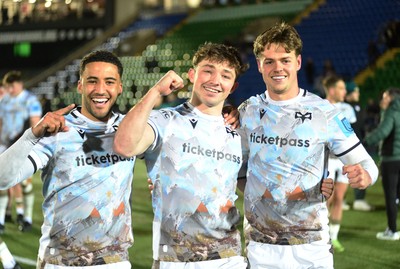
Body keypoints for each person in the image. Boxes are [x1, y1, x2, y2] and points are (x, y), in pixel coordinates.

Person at [237, 22, 378, 268]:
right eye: (269, 61)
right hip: (261, 246)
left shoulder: (325, 112)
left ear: (298, 62)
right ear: (259, 65)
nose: (277, 67)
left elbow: (367, 163)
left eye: (285, 60)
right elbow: (236, 169)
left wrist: (365, 176)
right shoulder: (247, 111)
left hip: (311, 247)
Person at [113, 42, 250, 269]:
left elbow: (246, 181)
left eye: (225, 75)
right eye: (208, 70)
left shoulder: (238, 132)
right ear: (192, 75)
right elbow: (124, 146)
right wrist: (155, 91)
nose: (215, 80)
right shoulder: (165, 120)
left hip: (229, 258)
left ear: (232, 87)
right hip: (174, 260)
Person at [0, 50, 137, 268]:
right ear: (80, 85)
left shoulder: (131, 129)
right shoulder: (57, 130)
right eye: (92, 81)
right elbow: (2, 179)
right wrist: (32, 135)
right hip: (61, 262)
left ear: (120, 87)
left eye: (109, 82)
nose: (100, 90)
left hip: (115, 261)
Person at [0, 71, 42, 233]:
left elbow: (35, 125)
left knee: (24, 184)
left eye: (12, 86)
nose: (10, 90)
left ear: (20, 85)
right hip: (4, 146)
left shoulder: (30, 101)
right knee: (2, 181)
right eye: (7, 87)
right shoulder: (4, 101)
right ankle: (2, 219)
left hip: (22, 146)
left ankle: (27, 218)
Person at [322, 75, 356, 252]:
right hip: (325, 160)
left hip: (343, 161)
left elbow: (350, 136)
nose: (345, 92)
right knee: (325, 199)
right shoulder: (319, 106)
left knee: (339, 198)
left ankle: (334, 238)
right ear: (333, 90)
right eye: (342, 88)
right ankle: (323, 236)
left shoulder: (348, 109)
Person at [364, 87, 400, 241]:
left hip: (391, 159)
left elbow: (383, 131)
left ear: (391, 98)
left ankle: (392, 230)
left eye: (384, 97)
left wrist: (365, 141)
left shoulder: (391, 112)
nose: (382, 100)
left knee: (391, 196)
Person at [345, 81, 373, 212]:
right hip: (346, 145)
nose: (358, 94)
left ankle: (359, 199)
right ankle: (343, 199)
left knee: (358, 170)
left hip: (358, 144)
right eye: (355, 91)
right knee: (343, 171)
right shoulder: (343, 107)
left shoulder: (357, 106)